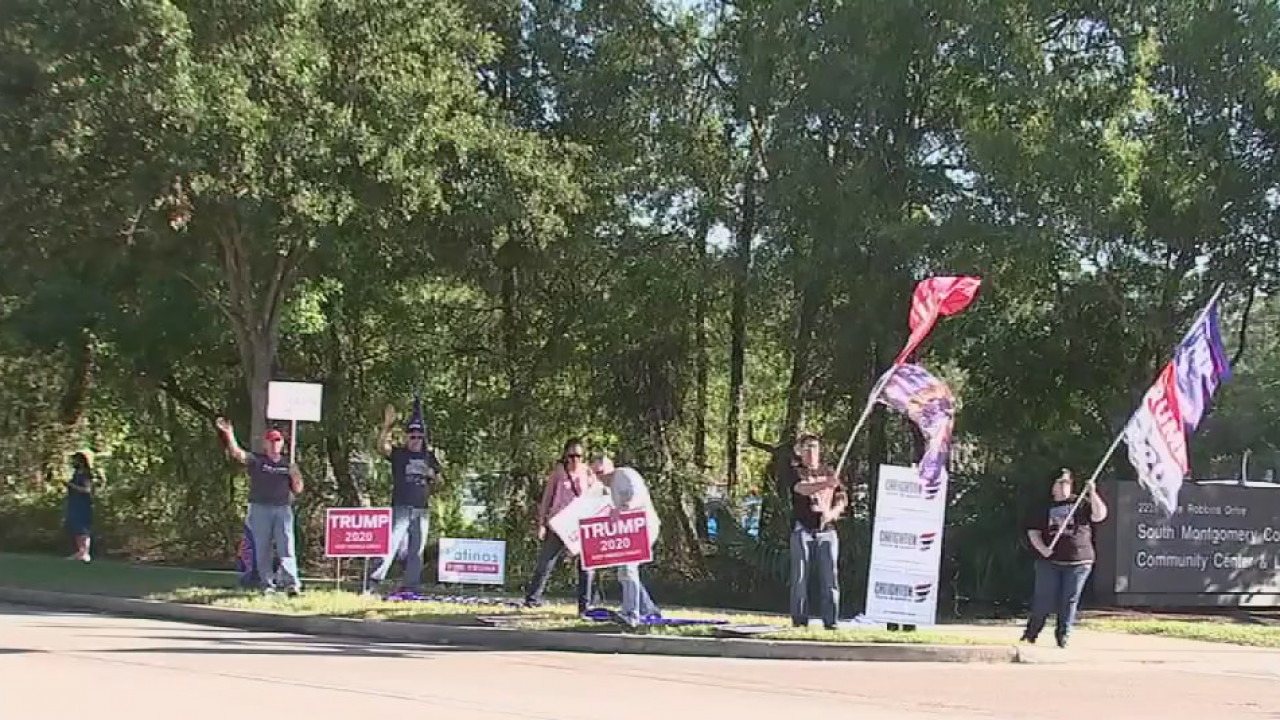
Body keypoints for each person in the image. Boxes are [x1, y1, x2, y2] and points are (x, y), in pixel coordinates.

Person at [216, 418, 305, 596]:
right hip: (260, 509)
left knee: (286, 546)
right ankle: (267, 584)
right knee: (262, 548)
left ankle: (291, 583)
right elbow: (237, 454)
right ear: (265, 444)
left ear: (282, 443)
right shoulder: (258, 460)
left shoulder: (288, 463)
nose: (274, 444)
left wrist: (295, 476)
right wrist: (229, 434)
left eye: (277, 441)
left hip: (282, 509)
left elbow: (298, 489)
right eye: (271, 441)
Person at [1021, 468, 1109, 648]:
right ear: (1053, 487)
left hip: (1079, 561)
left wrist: (1093, 492)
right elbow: (1033, 532)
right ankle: (1031, 634)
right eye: (1060, 483)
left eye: (1067, 483)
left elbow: (1100, 515)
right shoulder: (1044, 508)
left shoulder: (1081, 503)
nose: (1064, 487)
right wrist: (1043, 549)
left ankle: (1063, 636)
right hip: (1050, 561)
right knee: (1043, 598)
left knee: (1069, 599)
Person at [368, 398, 442, 592]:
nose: (415, 439)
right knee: (389, 546)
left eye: (419, 436)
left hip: (422, 510)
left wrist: (432, 476)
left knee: (416, 551)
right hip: (401, 507)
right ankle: (373, 582)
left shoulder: (429, 457)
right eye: (412, 435)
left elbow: (441, 483)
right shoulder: (400, 454)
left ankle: (410, 586)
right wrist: (387, 427)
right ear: (406, 437)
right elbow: (382, 447)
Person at [524, 438, 598, 614]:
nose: (574, 460)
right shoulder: (559, 472)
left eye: (578, 456)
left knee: (586, 566)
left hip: (580, 525)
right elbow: (547, 498)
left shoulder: (588, 472)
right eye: (571, 456)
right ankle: (532, 598)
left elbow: (597, 498)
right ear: (565, 455)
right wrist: (542, 523)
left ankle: (584, 605)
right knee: (546, 562)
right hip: (558, 523)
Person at [590, 454, 661, 627]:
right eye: (596, 474)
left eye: (602, 472)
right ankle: (648, 608)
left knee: (628, 567)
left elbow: (638, 496)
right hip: (630, 530)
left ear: (610, 467)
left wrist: (624, 508)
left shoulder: (625, 474)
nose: (601, 477)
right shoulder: (607, 488)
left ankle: (631, 614)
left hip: (644, 527)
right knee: (626, 570)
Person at [788, 433, 846, 630]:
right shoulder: (796, 471)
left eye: (814, 446)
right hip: (802, 530)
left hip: (827, 531)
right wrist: (825, 484)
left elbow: (841, 499)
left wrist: (832, 513)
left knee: (830, 576)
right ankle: (799, 621)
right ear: (800, 451)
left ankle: (831, 622)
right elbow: (801, 489)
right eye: (806, 447)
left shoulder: (830, 471)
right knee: (800, 578)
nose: (810, 451)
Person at [65, 451, 95, 563]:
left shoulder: (86, 474)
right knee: (76, 527)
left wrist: (71, 485)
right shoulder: (76, 473)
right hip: (74, 503)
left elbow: (87, 490)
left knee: (83, 529)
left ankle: (86, 553)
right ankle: (80, 551)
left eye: (75, 460)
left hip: (83, 504)